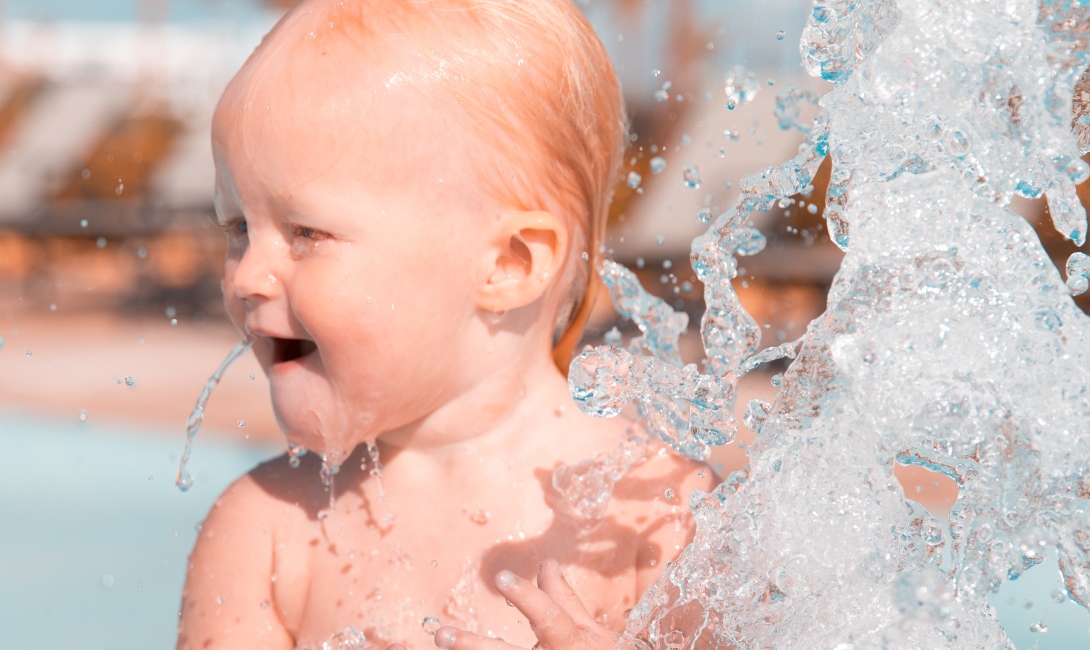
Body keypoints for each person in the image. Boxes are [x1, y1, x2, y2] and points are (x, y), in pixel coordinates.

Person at [176, 1, 715, 648]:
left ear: (511, 263)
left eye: (305, 233)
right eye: (238, 228)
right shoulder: (266, 533)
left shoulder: (655, 519)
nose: (245, 275)